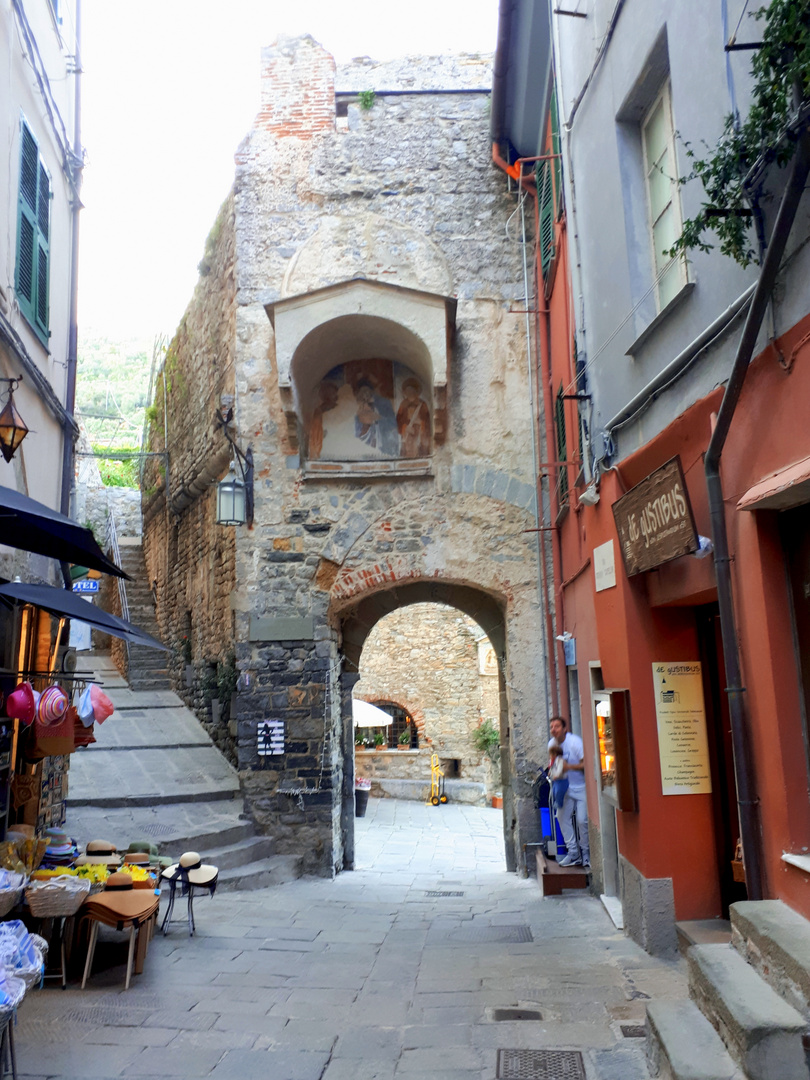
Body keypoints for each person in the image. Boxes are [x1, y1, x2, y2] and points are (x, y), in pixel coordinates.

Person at [548, 715, 590, 868]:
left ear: (565, 729)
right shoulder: (551, 744)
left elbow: (586, 764)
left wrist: (568, 767)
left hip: (581, 787)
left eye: (557, 726)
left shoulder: (574, 742)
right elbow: (553, 764)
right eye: (552, 727)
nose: (554, 730)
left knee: (582, 820)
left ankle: (586, 853)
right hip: (564, 788)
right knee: (561, 816)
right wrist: (553, 771)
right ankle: (573, 853)